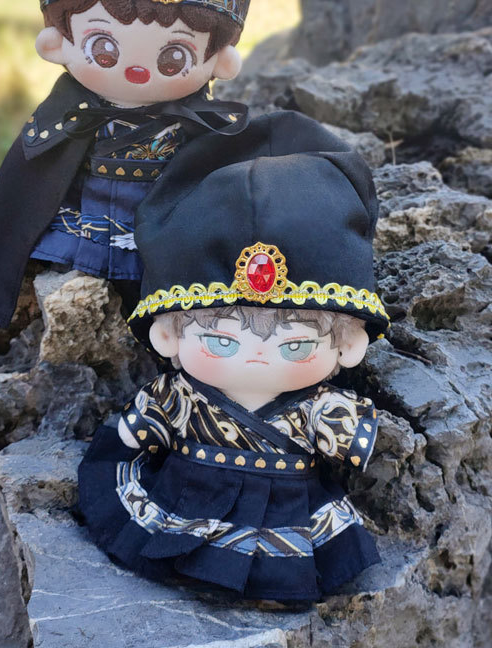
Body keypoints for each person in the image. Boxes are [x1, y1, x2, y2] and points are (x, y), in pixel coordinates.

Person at [78, 111, 391, 601]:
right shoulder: (178, 397)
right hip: (184, 493)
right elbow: (134, 434)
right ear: (168, 335)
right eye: (221, 342)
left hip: (289, 506)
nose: (256, 359)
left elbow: (357, 450)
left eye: (294, 345)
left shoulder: (317, 408)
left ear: (348, 345)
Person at [0, 0, 253, 327]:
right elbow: (25, 183)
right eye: (104, 48)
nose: (136, 71)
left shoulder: (204, 129)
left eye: (174, 58)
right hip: (81, 221)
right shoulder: (67, 115)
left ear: (220, 62)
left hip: (158, 227)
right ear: (56, 44)